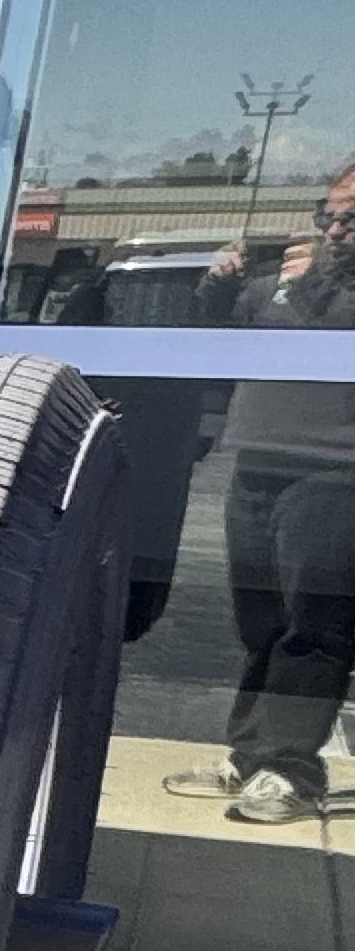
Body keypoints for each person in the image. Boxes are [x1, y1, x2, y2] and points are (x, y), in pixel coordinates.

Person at [166, 164, 355, 824]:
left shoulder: (321, 283)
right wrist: (218, 286)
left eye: (351, 218)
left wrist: (318, 283)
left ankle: (291, 770)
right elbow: (220, 329)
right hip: (257, 462)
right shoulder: (286, 282)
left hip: (336, 472)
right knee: (262, 624)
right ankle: (251, 758)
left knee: (316, 626)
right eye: (328, 215)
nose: (335, 230)